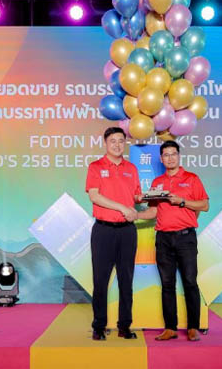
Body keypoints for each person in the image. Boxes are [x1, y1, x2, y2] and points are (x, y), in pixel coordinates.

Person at [141, 140, 209, 342]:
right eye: (166, 155)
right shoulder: (157, 182)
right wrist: (133, 215)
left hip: (185, 238)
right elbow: (153, 211)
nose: (170, 158)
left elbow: (204, 205)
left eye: (173, 154)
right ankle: (170, 328)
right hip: (163, 239)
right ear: (161, 159)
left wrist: (181, 201)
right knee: (167, 284)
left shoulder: (192, 178)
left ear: (179, 156)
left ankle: (193, 327)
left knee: (190, 282)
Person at [85, 127, 143, 341]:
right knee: (100, 280)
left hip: (127, 231)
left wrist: (151, 197)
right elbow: (94, 196)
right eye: (113, 141)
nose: (117, 145)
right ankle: (99, 326)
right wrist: (122, 208)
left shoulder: (131, 168)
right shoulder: (96, 167)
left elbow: (136, 196)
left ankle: (124, 326)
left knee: (126, 280)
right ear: (105, 143)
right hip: (104, 231)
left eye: (121, 141)